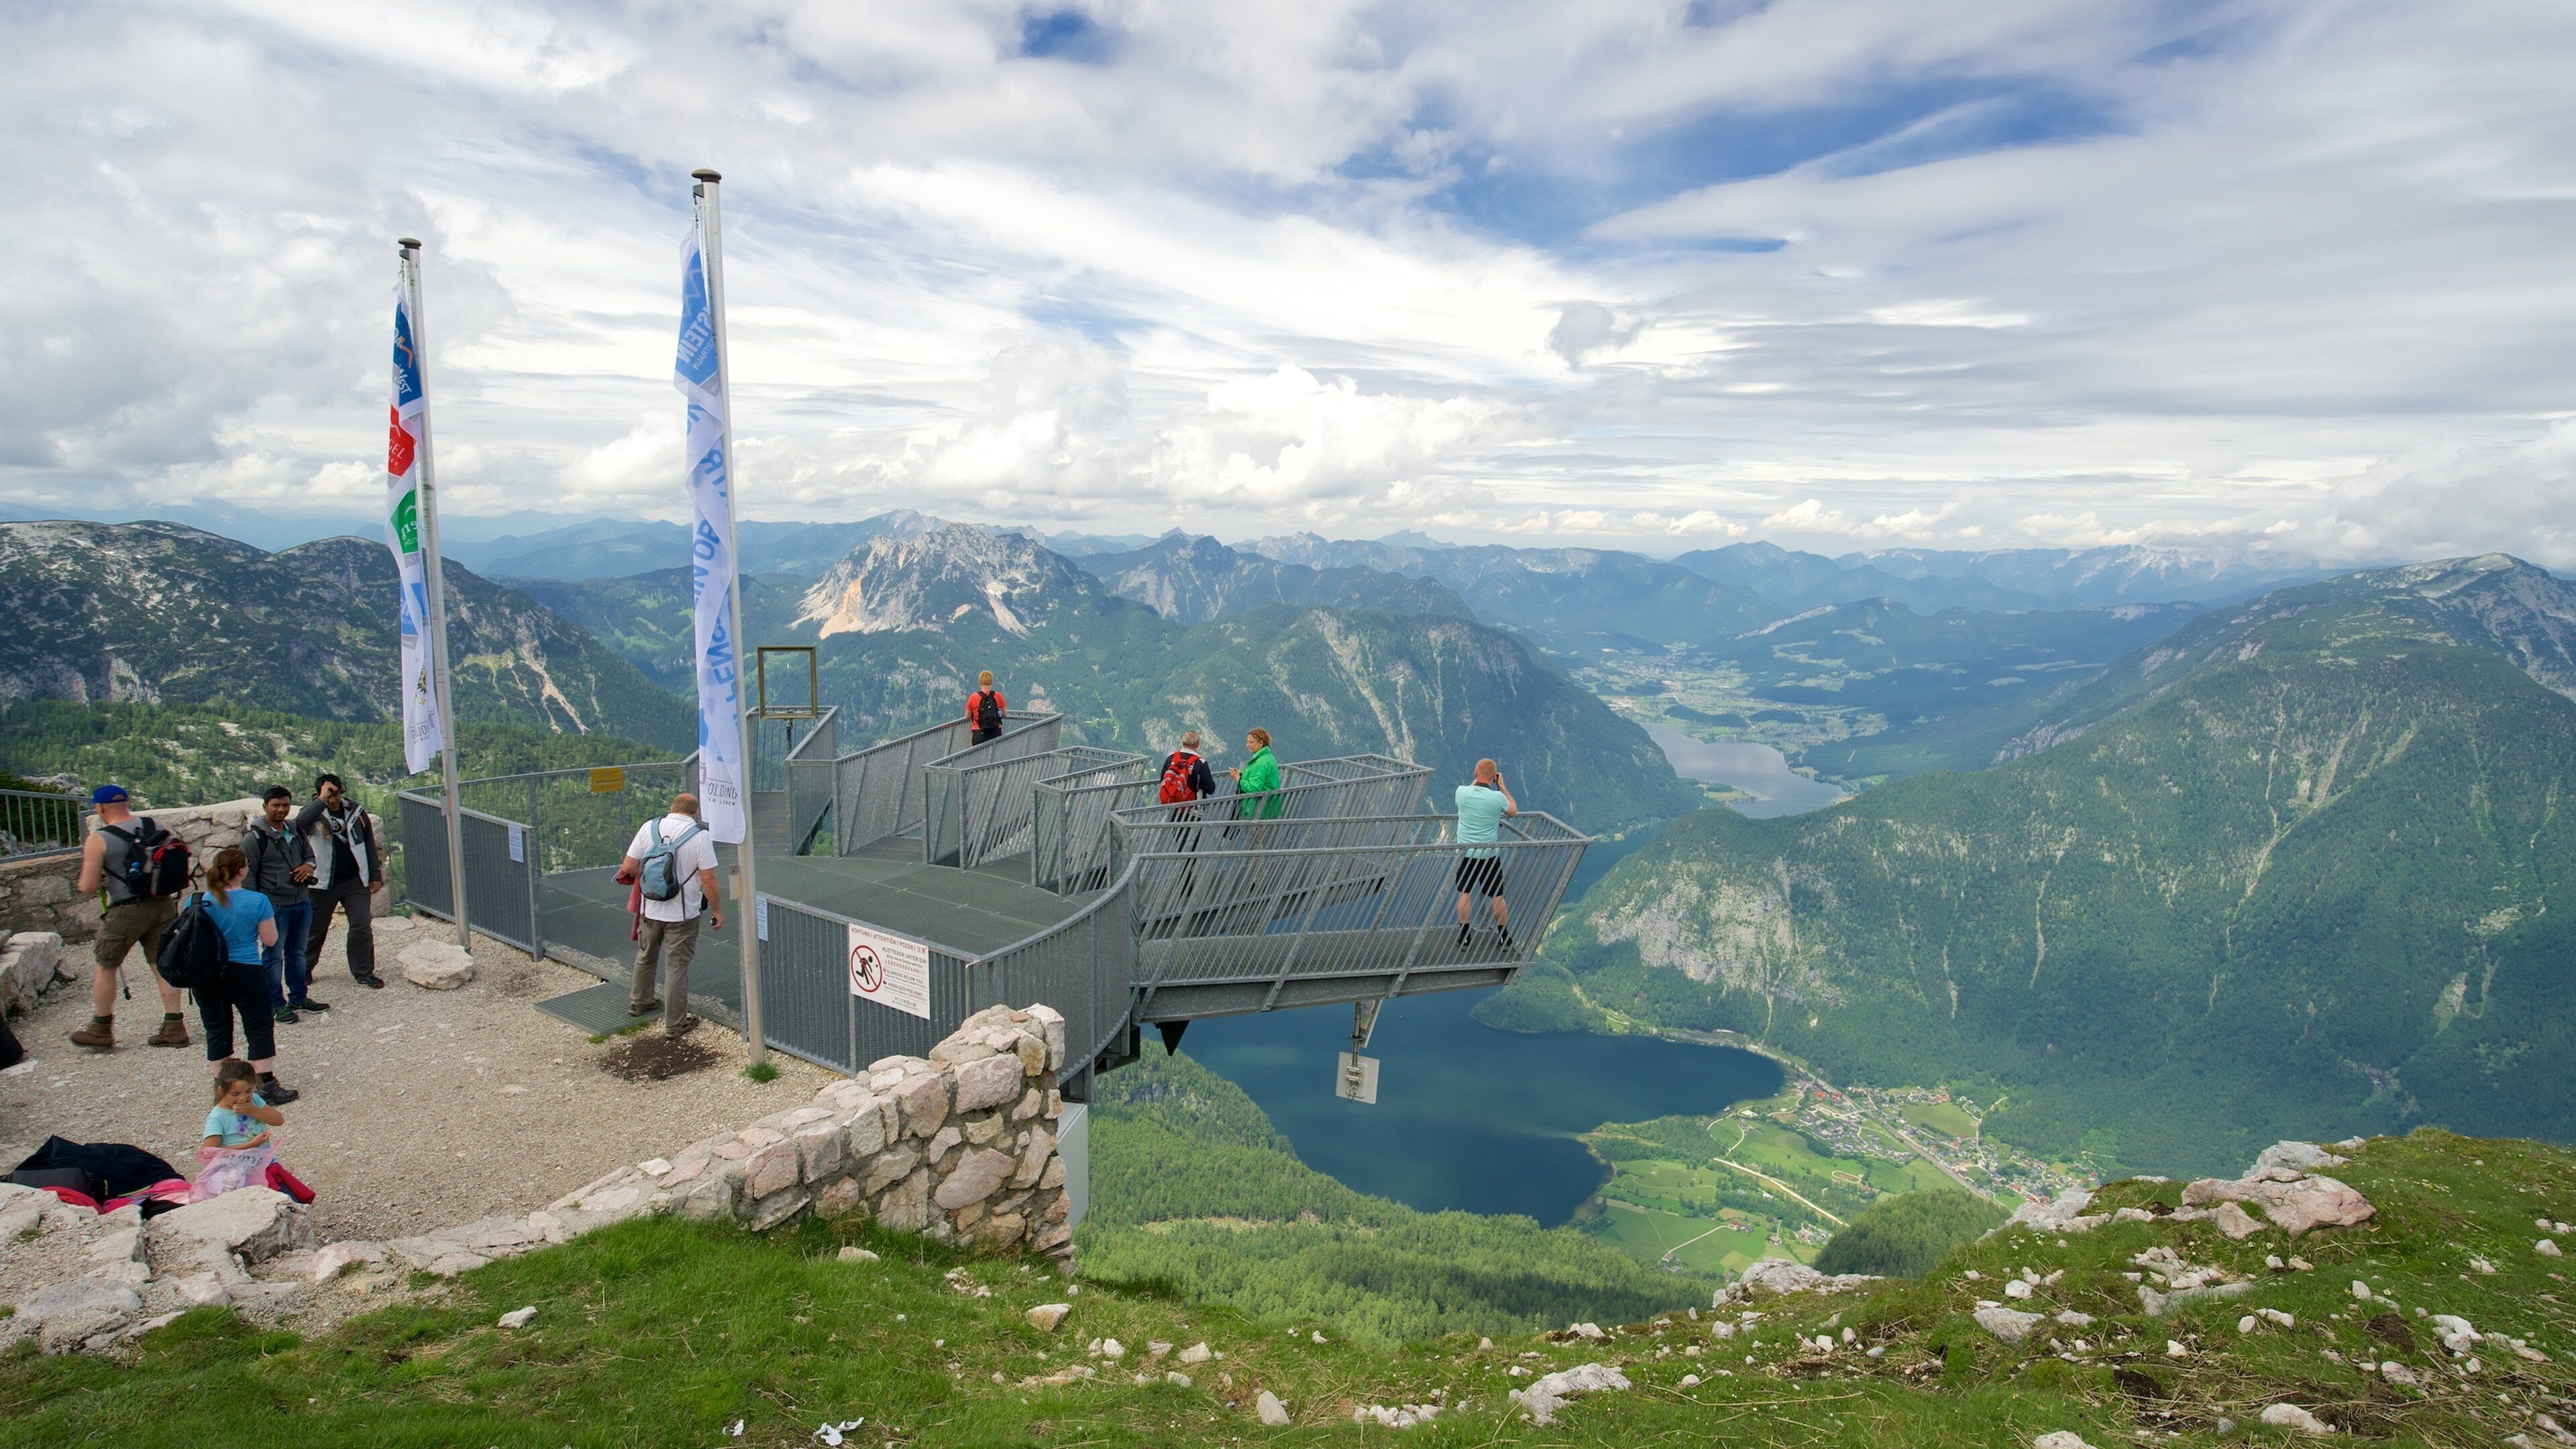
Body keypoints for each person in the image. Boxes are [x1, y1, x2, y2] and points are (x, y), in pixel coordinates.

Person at [68, 784, 191, 1052]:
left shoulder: (99, 839)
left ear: (99, 808)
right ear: (127, 802)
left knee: (106, 964)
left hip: (127, 909)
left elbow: (88, 887)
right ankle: (174, 1026)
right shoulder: (153, 823)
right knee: (162, 964)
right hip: (163, 904)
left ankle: (101, 1028)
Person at [190, 847, 300, 1104]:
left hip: (206, 973)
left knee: (216, 1028)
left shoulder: (197, 901)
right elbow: (271, 940)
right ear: (242, 870)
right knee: (258, 1025)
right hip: (246, 969)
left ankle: (223, 1088)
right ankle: (266, 1084)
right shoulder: (257, 901)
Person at [620, 791, 723, 1035]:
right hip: (682, 914)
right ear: (696, 813)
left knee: (645, 956)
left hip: (650, 908)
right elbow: (708, 879)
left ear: (672, 808)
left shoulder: (650, 827)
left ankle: (640, 1002)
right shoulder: (701, 836)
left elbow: (629, 867)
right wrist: (717, 910)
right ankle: (676, 1024)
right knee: (676, 967)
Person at [297, 773, 385, 989]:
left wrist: (375, 875)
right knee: (316, 928)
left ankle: (363, 971)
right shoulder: (313, 813)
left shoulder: (355, 812)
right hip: (322, 882)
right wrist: (321, 802)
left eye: (336, 793)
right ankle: (304, 970)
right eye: (329, 794)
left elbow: (368, 845)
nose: (334, 798)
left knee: (361, 925)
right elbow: (298, 825)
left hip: (354, 880)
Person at [244, 786, 323, 1024]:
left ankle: (299, 997)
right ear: (265, 806)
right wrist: (257, 912)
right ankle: (275, 1004)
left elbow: (310, 856)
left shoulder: (295, 830)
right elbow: (248, 878)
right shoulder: (254, 839)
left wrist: (309, 866)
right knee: (273, 956)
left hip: (301, 901)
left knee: (298, 954)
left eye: (285, 805)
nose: (281, 810)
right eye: (276, 805)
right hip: (274, 906)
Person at [1453, 758, 1517, 950]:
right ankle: (1504, 937)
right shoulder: (1497, 798)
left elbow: (1472, 787)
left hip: (1466, 855)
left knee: (1465, 894)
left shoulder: (1461, 792)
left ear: (1475, 774)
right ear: (1494, 778)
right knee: (1497, 896)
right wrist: (1502, 787)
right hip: (1489, 856)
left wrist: (1478, 779)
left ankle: (1465, 937)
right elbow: (1513, 811)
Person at [203, 1059, 283, 1151]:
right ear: (221, 1091)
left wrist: (254, 1110)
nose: (243, 1098)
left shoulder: (254, 1100)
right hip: (234, 1165)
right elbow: (209, 1153)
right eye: (235, 1094)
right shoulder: (217, 1118)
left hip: (263, 1161)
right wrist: (251, 1145)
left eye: (249, 1091)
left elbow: (279, 1120)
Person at [1228, 728, 1284, 821]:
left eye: (1251, 742)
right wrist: (1241, 773)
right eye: (1248, 742)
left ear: (1261, 743)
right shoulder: (1265, 758)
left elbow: (1254, 789)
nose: (1247, 745)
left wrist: (1238, 780)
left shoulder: (1261, 763)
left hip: (1260, 812)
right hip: (1265, 810)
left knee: (1258, 835)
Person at [1158, 731, 1217, 813]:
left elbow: (1162, 780)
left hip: (1170, 809)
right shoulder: (1200, 763)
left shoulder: (1171, 758)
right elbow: (1210, 789)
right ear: (1198, 744)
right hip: (1192, 811)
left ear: (1182, 742)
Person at [965, 671, 1008, 745]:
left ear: (980, 682)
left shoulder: (973, 697)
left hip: (979, 732)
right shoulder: (998, 696)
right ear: (992, 682)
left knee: (977, 756)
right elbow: (1004, 714)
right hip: (995, 732)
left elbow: (968, 716)